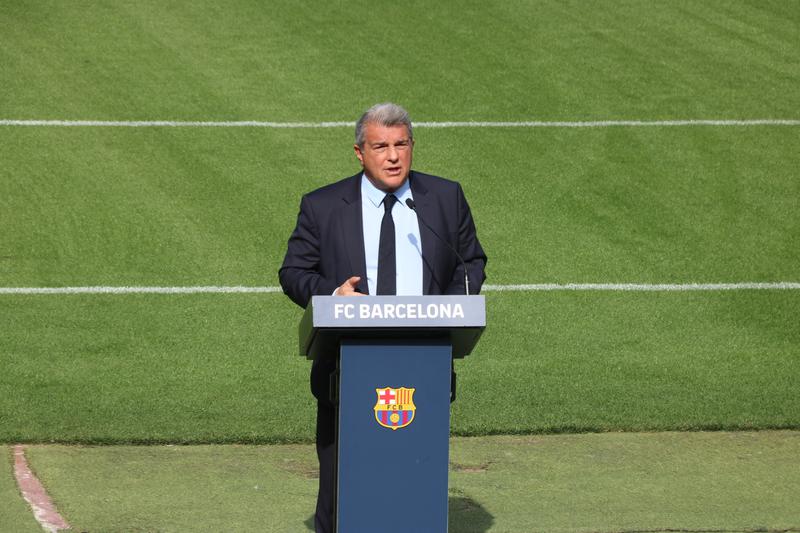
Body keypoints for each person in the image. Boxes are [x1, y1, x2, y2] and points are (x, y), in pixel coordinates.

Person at [279, 102, 486, 533]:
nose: (393, 156)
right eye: (380, 147)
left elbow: (470, 262)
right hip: (344, 370)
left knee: (415, 477)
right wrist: (332, 296)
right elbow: (294, 271)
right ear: (359, 153)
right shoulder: (322, 206)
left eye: (401, 145)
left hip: (424, 368)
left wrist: (446, 310)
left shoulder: (445, 199)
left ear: (412, 147)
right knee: (342, 492)